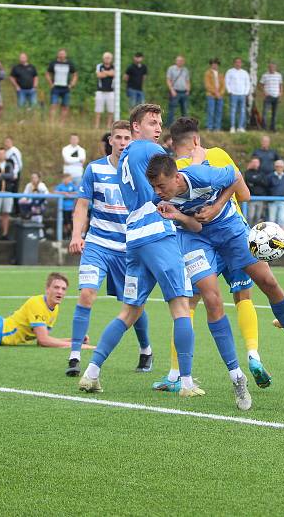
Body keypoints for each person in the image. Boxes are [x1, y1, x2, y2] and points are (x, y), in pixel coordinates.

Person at [146, 140, 284, 404]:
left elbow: (236, 177)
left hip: (230, 229)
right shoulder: (160, 199)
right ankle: (236, 376)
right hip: (195, 240)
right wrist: (179, 217)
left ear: (176, 177)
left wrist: (217, 206)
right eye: (153, 187)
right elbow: (195, 228)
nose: (157, 191)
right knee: (212, 299)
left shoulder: (202, 174)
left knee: (268, 282)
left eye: (161, 186)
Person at [76, 104, 198, 396]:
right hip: (157, 230)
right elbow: (176, 180)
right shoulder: (147, 150)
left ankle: (91, 373)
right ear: (135, 127)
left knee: (129, 310)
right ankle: (187, 383)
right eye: (152, 122)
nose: (158, 128)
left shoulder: (125, 158)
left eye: (159, 123)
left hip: (133, 238)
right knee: (181, 306)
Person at [151, 117, 274, 394]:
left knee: (190, 304)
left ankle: (176, 373)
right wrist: (220, 202)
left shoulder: (171, 173)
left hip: (199, 241)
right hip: (234, 233)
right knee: (244, 296)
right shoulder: (218, 154)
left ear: (172, 143)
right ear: (197, 138)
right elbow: (243, 193)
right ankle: (254, 355)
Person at [67, 120, 153, 377]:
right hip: (97, 244)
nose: (122, 142)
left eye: (127, 138)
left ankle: (146, 349)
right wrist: (76, 235)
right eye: (118, 137)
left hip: (129, 248)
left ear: (133, 141)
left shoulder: (140, 171)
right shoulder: (94, 169)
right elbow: (82, 206)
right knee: (86, 294)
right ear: (111, 140)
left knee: (133, 303)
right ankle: (74, 356)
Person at [46, 49, 78, 124]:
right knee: (53, 105)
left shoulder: (69, 63)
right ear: (58, 54)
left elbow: (75, 74)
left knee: (65, 107)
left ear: (66, 55)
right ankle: (51, 123)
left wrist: (72, 84)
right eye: (60, 54)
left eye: (63, 54)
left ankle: (61, 124)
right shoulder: (53, 63)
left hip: (66, 88)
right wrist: (50, 83)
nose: (61, 55)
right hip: (55, 87)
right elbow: (47, 73)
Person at [225, 58, 251, 133]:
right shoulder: (230, 71)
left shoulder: (244, 72)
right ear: (234, 63)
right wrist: (229, 91)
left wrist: (246, 92)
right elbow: (227, 82)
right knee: (233, 111)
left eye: (239, 62)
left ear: (241, 63)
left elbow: (248, 83)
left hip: (242, 94)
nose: (238, 63)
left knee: (242, 111)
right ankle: (232, 127)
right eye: (236, 62)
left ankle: (240, 127)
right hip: (233, 94)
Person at [166, 55, 191, 126]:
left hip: (184, 92)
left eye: (181, 61)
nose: (180, 62)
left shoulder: (185, 70)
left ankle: (185, 126)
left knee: (185, 110)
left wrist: (188, 90)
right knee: (172, 110)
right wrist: (172, 90)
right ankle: (169, 125)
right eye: (178, 60)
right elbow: (168, 80)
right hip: (175, 91)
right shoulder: (171, 69)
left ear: (183, 62)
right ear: (175, 61)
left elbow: (188, 81)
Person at [259, 61, 284, 132]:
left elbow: (281, 85)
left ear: (276, 68)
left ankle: (273, 127)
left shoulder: (279, 75)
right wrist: (264, 92)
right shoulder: (265, 75)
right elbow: (260, 85)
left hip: (276, 96)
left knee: (274, 113)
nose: (272, 68)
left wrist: (281, 93)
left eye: (273, 67)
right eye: (270, 67)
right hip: (268, 96)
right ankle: (264, 127)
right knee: (265, 113)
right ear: (268, 67)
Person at [94, 52, 116, 130]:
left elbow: (114, 74)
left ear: (111, 59)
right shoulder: (99, 66)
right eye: (106, 58)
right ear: (103, 59)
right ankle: (96, 126)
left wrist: (105, 73)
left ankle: (108, 126)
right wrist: (109, 73)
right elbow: (99, 75)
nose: (107, 59)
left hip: (111, 91)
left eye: (108, 58)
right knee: (98, 109)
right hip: (100, 91)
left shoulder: (114, 66)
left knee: (111, 110)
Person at [204, 58, 225, 132]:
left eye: (216, 64)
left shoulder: (220, 74)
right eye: (213, 64)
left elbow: (223, 85)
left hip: (220, 96)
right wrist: (215, 93)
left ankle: (217, 128)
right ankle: (209, 127)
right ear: (211, 65)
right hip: (211, 95)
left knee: (219, 112)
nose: (215, 65)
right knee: (211, 111)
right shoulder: (208, 73)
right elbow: (207, 85)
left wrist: (220, 93)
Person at [244, 157, 267, 225]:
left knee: (258, 217)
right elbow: (248, 180)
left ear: (259, 163)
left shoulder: (262, 172)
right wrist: (259, 180)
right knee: (250, 217)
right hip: (251, 198)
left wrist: (254, 181)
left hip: (261, 198)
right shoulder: (248, 172)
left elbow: (265, 183)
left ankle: (256, 233)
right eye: (253, 162)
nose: (255, 164)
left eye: (256, 162)